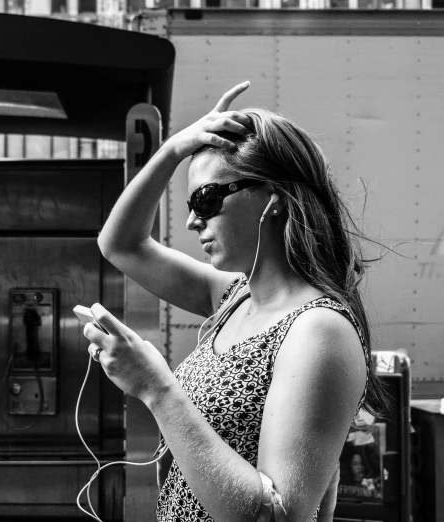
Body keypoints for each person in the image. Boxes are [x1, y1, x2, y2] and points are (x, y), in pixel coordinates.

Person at [82, 81, 387, 521]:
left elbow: (276, 515)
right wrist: (172, 150)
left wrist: (157, 388)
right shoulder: (232, 297)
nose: (191, 220)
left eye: (206, 199)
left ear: (273, 199)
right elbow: (120, 244)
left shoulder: (318, 329)